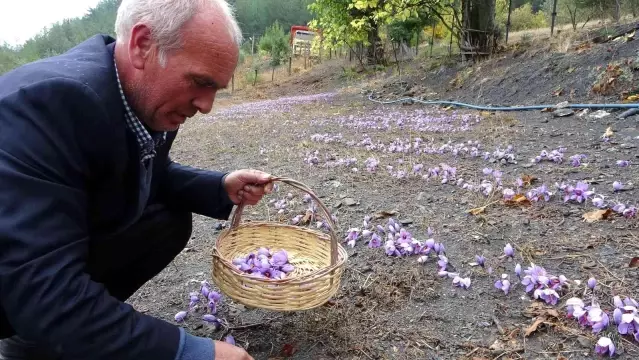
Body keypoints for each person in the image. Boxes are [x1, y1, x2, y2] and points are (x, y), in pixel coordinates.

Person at [0, 0, 268, 359]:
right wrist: (189, 352)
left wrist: (219, 187)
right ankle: (33, 338)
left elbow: (149, 171)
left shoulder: (142, 96)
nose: (206, 105)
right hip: (16, 275)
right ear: (143, 44)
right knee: (46, 300)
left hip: (39, 251)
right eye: (201, 83)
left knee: (166, 221)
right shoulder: (53, 103)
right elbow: (38, 282)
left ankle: (61, 333)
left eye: (216, 88)